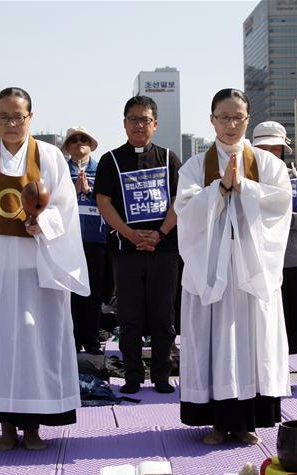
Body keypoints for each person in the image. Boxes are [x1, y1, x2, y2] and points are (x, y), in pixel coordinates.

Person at [0, 87, 89, 450]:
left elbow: (65, 210)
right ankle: (4, 424)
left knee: (36, 344)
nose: (11, 123)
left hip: (38, 265)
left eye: (18, 117)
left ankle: (34, 424)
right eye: (4, 117)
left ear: (30, 118)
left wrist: (45, 224)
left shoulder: (51, 157)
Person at [176, 89, 291, 445]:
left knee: (250, 340)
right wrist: (218, 190)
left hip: (250, 267)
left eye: (237, 117)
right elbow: (186, 209)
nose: (230, 124)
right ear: (211, 120)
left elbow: (281, 204)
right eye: (223, 117)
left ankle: (246, 421)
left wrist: (243, 187)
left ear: (248, 119)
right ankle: (215, 421)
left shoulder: (268, 163)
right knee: (213, 340)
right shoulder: (195, 165)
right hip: (211, 264)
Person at [93, 95, 182, 394]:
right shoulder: (111, 160)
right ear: (124, 123)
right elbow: (103, 202)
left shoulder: (169, 158)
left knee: (163, 317)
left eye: (145, 119)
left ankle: (161, 376)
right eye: (133, 119)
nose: (138, 125)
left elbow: (179, 201)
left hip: (164, 249)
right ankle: (132, 376)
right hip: (126, 250)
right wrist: (130, 234)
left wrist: (159, 233)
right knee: (129, 317)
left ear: (155, 124)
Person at [251, 121, 297, 354]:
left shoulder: (295, 177)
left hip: (291, 258)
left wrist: (281, 218)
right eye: (264, 148)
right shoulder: (246, 178)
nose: (269, 153)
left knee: (291, 322)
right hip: (257, 259)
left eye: (275, 148)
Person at [64, 126, 107, 355]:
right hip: (68, 241)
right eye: (74, 140)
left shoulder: (101, 170)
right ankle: (71, 340)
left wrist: (89, 192)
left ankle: (91, 340)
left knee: (92, 292)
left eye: (84, 139)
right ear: (68, 146)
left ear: (91, 144)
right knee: (70, 293)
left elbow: (111, 202)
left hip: (94, 239)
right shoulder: (60, 170)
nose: (79, 143)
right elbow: (52, 200)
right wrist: (73, 190)